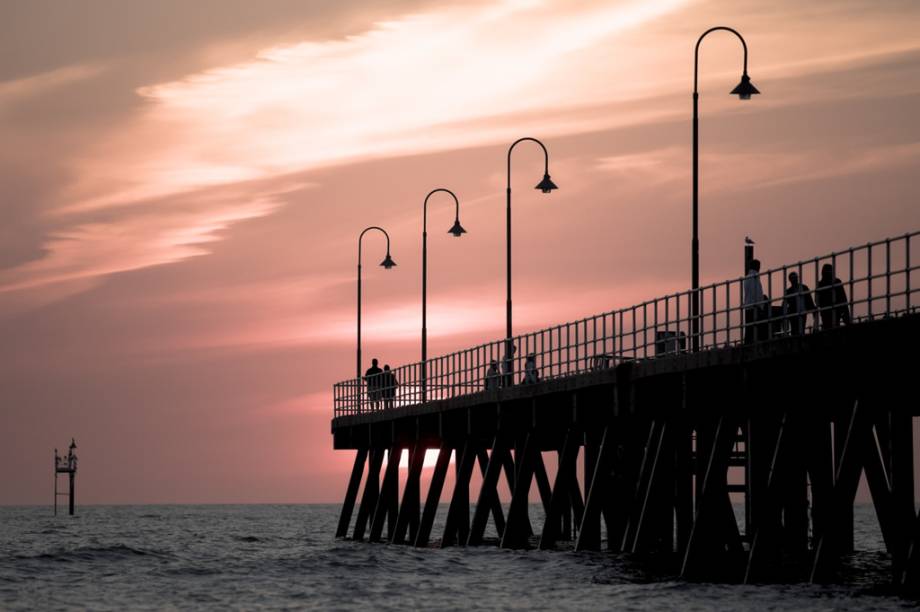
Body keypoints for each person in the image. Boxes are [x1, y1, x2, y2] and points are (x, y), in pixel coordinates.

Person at [815, 264, 851, 330]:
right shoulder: (836, 281)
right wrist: (846, 313)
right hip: (835, 309)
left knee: (828, 326)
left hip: (826, 311)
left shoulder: (820, 284)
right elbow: (843, 298)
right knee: (835, 325)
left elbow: (817, 301)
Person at [783, 271, 817, 336]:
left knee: (799, 329)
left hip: (800, 313)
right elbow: (809, 300)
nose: (794, 280)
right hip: (795, 313)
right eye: (793, 278)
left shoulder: (791, 291)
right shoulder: (802, 288)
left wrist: (812, 309)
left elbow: (809, 300)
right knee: (796, 330)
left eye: (795, 278)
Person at [742, 259, 766, 344]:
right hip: (755, 306)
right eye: (758, 266)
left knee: (749, 327)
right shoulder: (755, 277)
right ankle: (753, 343)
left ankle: (747, 343)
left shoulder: (747, 277)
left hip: (748, 305)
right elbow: (755, 292)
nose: (759, 268)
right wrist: (759, 305)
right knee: (756, 326)